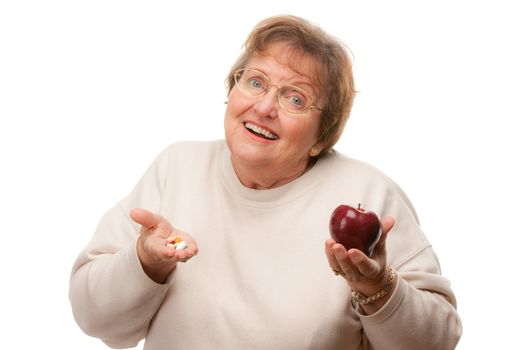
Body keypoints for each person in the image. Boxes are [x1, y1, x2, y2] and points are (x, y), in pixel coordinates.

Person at [69, 15, 462, 349]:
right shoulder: (177, 167)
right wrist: (144, 262)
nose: (264, 107)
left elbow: (438, 338)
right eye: (255, 82)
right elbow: (94, 319)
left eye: (295, 99)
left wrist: (378, 289)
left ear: (322, 138)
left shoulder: (369, 193)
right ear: (231, 90)